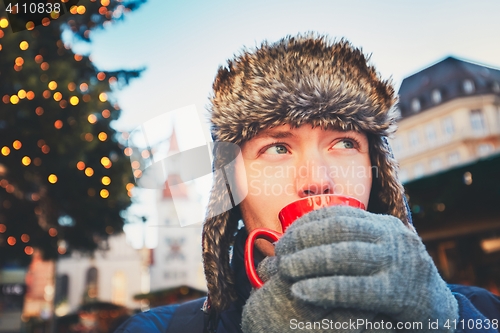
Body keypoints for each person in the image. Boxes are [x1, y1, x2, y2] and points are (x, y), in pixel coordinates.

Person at [116, 34, 500, 333]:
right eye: (278, 148)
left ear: (376, 173)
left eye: (345, 143)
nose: (318, 180)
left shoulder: (479, 313)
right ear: (232, 185)